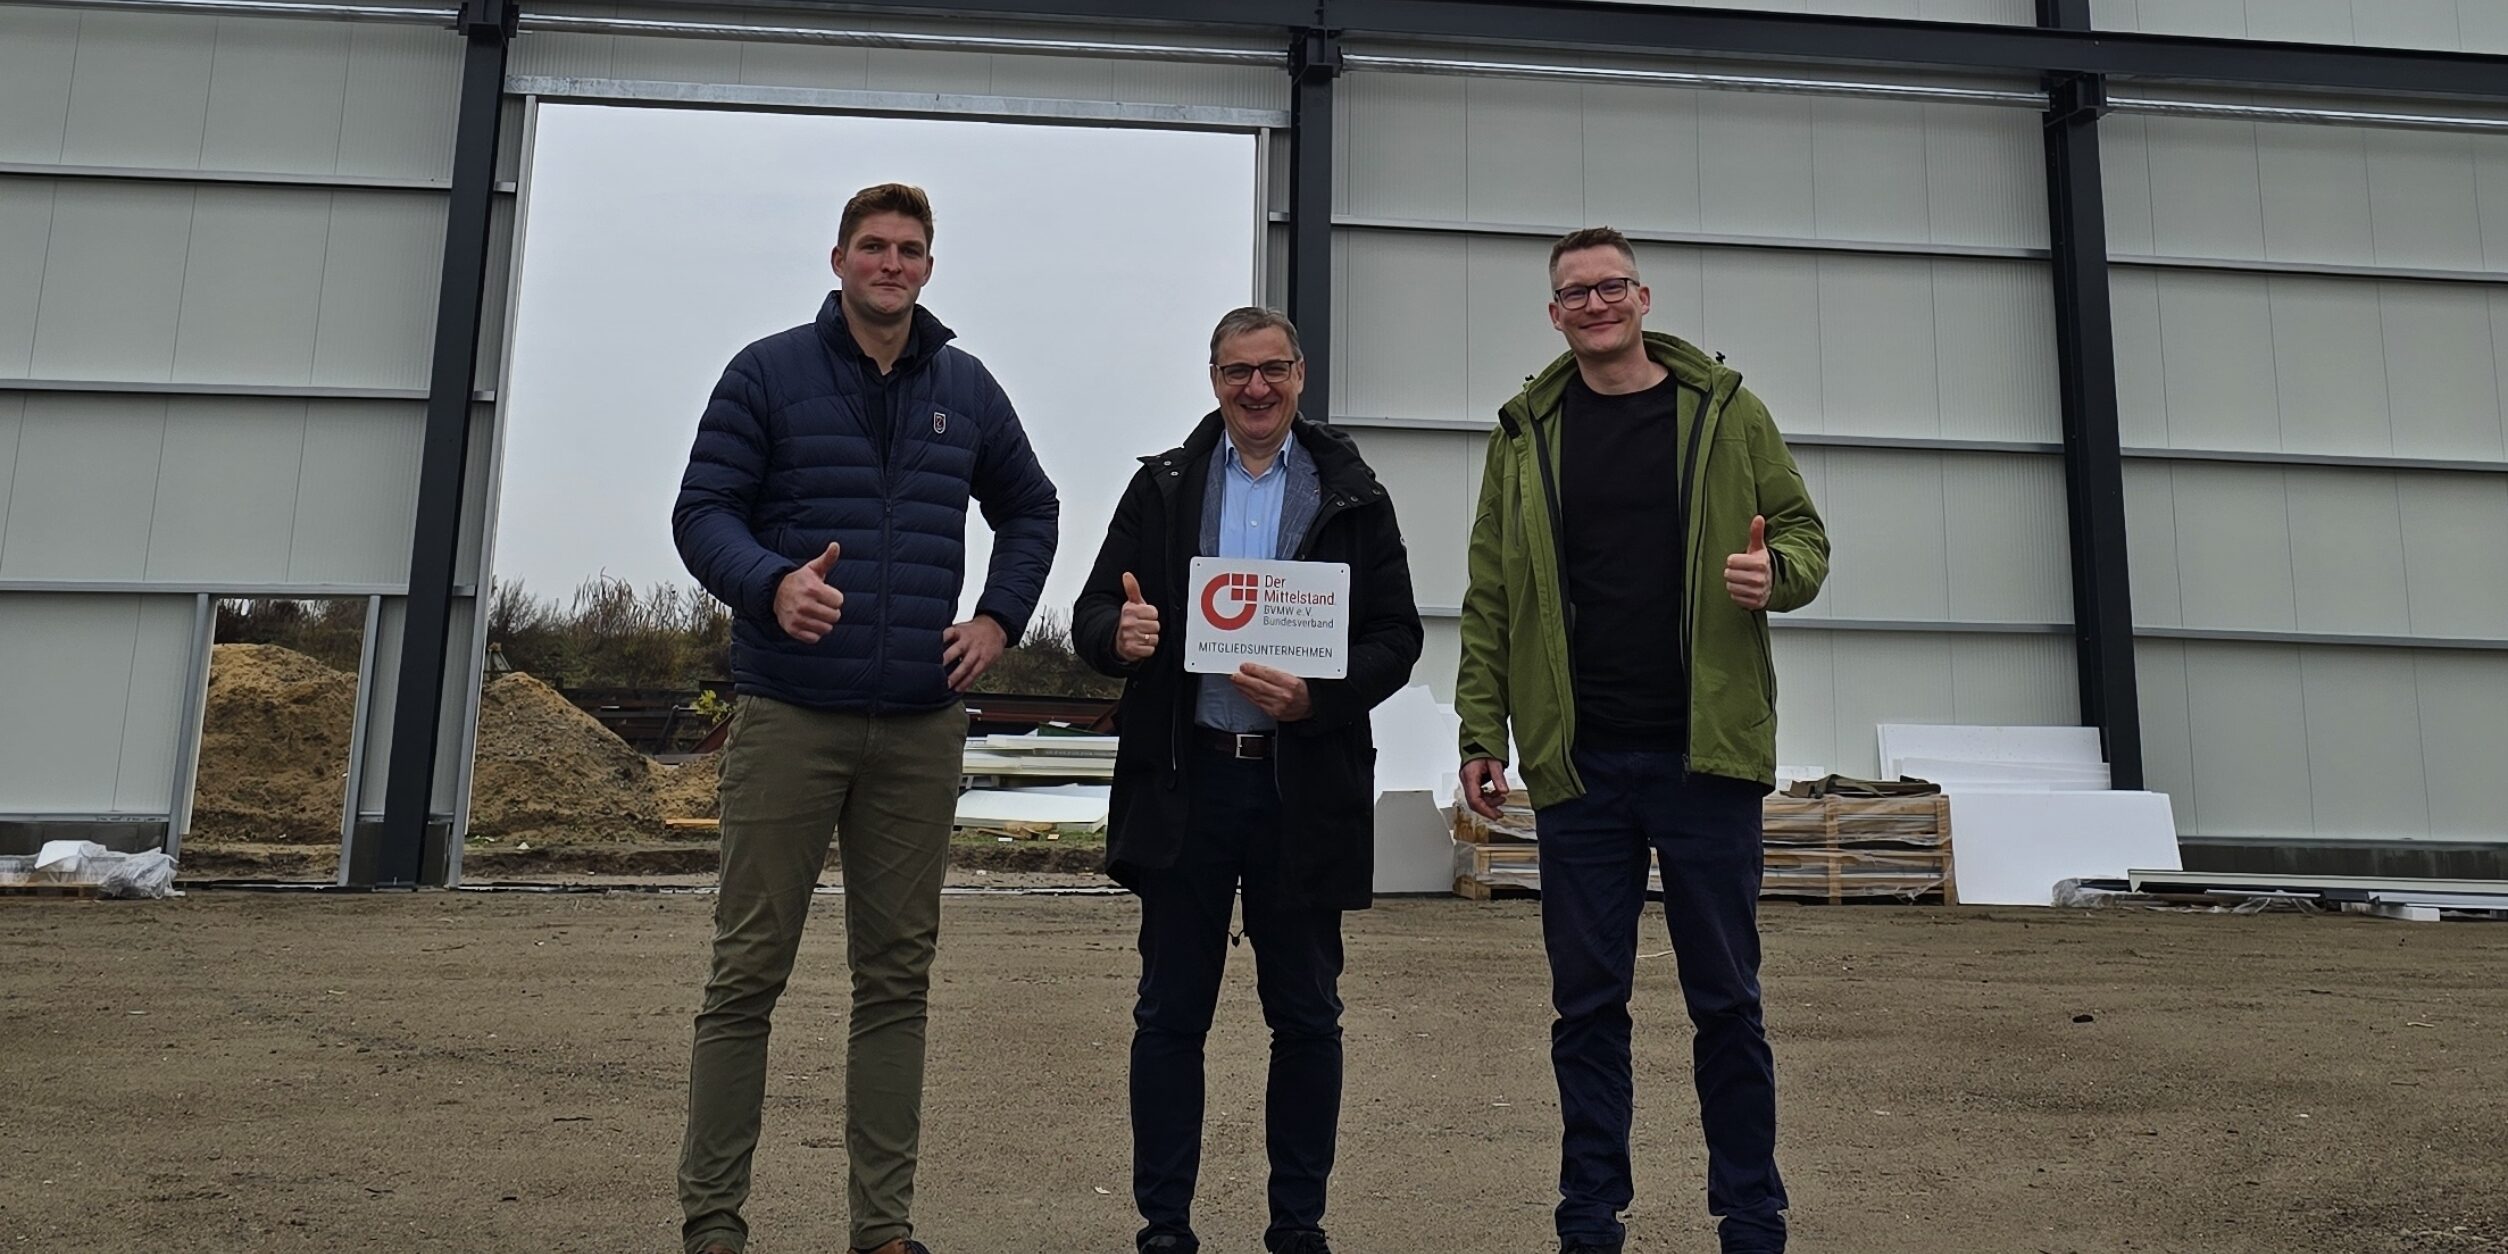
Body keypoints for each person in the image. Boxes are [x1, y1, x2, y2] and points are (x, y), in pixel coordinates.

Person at [669, 182, 1060, 1254]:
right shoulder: (766, 374)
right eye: (874, 247)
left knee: (896, 979)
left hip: (920, 726)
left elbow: (1032, 507)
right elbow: (701, 512)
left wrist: (998, 618)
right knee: (748, 972)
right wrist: (769, 584)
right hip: (791, 715)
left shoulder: (967, 389)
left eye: (911, 250)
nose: (892, 264)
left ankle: (882, 1228)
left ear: (930, 267)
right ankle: (714, 1225)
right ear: (839, 258)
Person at [1454, 227, 1830, 1254]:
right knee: (1587, 1006)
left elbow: (1804, 538)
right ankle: (1590, 1218)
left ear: (1643, 295)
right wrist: (1479, 727)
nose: (1596, 304)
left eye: (1611, 286)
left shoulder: (1727, 413)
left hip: (1703, 757)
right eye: (1575, 293)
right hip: (1579, 764)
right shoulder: (1526, 433)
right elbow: (1491, 592)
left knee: (1727, 1003)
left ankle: (1751, 1214)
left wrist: (1775, 577)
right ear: (1554, 314)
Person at [1072, 307, 1423, 1254]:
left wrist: (1323, 696)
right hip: (1190, 786)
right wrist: (1120, 637)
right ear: (1213, 378)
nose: (1255, 389)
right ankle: (1165, 1228)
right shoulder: (1165, 487)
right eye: (1237, 372)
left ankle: (1297, 1225)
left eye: (1273, 370)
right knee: (1169, 1015)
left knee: (1307, 1015)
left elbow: (1398, 636)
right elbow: (1096, 609)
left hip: (1301, 792)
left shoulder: (1353, 493)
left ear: (1301, 375)